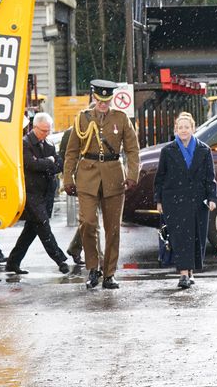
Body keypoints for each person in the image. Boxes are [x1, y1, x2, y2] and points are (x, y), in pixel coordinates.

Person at [62, 79, 140, 290]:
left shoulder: (121, 118)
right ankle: (93, 268)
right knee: (87, 223)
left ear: (111, 99)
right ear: (94, 97)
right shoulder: (82, 119)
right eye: (100, 100)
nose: (103, 104)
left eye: (107, 100)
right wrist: (67, 178)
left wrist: (133, 174)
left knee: (112, 229)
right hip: (87, 175)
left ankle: (109, 273)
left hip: (114, 176)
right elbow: (71, 152)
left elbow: (132, 149)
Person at [154, 112, 217, 289]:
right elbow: (160, 177)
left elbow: (210, 176)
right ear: (176, 130)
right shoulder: (167, 151)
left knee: (196, 236)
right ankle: (183, 273)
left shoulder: (204, 150)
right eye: (180, 127)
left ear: (193, 128)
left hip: (198, 200)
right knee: (180, 237)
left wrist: (212, 197)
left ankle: (191, 271)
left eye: (186, 127)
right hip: (174, 200)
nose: (183, 130)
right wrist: (158, 200)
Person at [5, 113, 70, 275]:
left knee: (31, 230)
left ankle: (13, 262)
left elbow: (59, 164)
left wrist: (47, 163)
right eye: (43, 131)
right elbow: (31, 164)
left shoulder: (48, 144)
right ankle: (60, 260)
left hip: (45, 193)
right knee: (43, 226)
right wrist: (49, 162)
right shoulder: (25, 144)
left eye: (48, 131)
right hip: (31, 192)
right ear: (34, 128)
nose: (46, 134)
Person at [59, 126, 102, 266]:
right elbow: (66, 156)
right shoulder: (73, 132)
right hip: (84, 179)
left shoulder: (102, 128)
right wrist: (69, 178)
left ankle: (75, 247)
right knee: (91, 219)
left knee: (88, 219)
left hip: (101, 178)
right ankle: (99, 259)